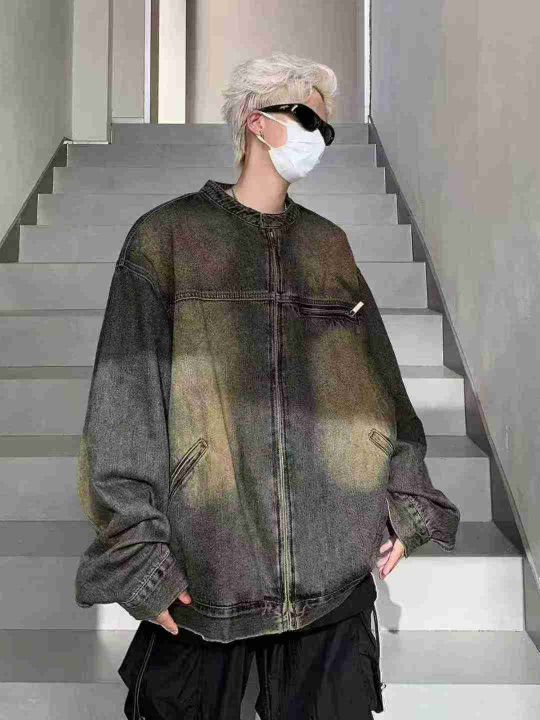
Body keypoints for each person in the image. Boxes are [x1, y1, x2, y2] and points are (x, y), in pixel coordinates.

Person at [74, 51, 460, 719]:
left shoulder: (328, 246)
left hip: (330, 565)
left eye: (327, 129)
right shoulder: (167, 238)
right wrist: (139, 556)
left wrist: (407, 494)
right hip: (207, 566)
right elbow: (124, 403)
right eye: (308, 119)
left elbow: (377, 386)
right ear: (256, 121)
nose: (320, 139)